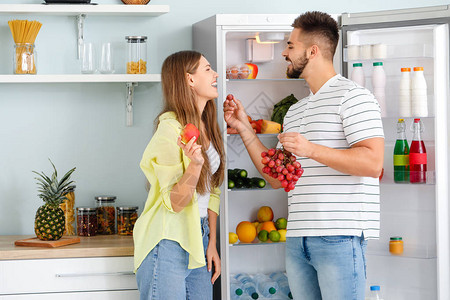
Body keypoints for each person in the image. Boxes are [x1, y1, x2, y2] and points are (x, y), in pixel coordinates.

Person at [224, 11, 384, 300]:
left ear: (313, 51)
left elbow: (372, 163)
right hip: (298, 239)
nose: (284, 53)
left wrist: (309, 149)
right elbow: (275, 178)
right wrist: (244, 128)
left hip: (340, 237)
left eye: (290, 46)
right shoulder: (297, 110)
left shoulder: (354, 97)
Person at [134, 50, 225, 300]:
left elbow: (212, 190)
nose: (216, 74)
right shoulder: (170, 130)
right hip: (168, 241)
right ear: (189, 79)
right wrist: (195, 166)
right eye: (207, 69)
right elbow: (175, 203)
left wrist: (211, 242)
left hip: (200, 235)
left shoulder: (207, 124)